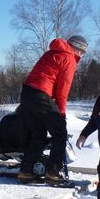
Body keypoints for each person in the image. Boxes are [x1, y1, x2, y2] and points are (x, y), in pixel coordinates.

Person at [17, 35, 88, 185]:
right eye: (81, 51)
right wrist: (61, 113)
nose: (81, 55)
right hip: (40, 95)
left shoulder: (52, 52)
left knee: (38, 134)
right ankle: (53, 172)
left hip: (27, 94)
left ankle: (25, 172)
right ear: (75, 48)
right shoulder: (69, 58)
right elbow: (63, 90)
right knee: (60, 132)